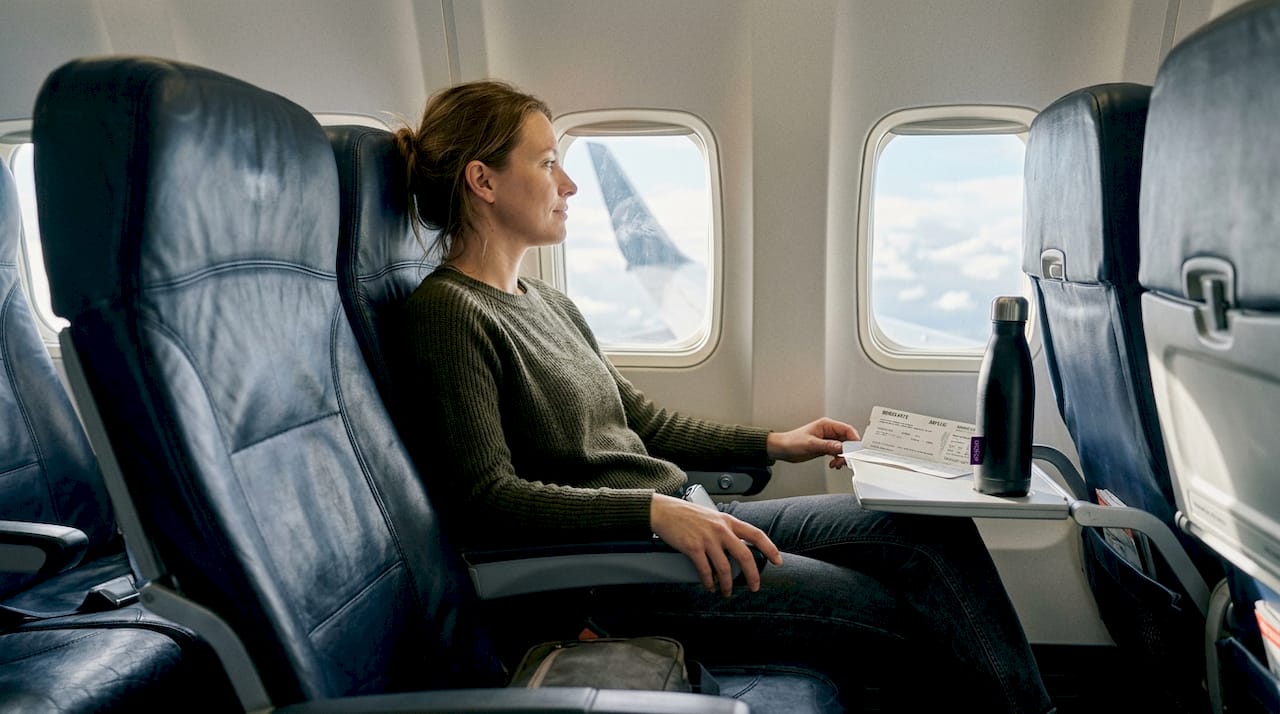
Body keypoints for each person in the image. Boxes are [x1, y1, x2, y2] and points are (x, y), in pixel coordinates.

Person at [394, 79, 1055, 713]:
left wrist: (776, 442)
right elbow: (486, 500)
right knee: (896, 607)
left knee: (925, 531)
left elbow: (639, 420)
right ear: (483, 180)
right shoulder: (449, 315)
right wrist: (653, 514)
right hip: (619, 570)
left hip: (683, 519)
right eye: (546, 163)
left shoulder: (548, 302)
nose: (567, 185)